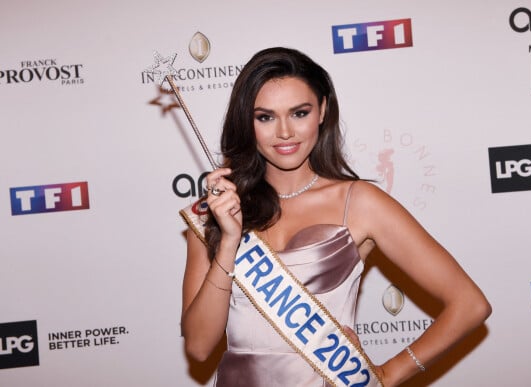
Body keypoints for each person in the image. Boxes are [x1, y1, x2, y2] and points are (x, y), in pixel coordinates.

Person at [180, 47, 491, 387]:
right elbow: (198, 346)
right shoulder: (219, 209)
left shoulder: (358, 202)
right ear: (246, 122)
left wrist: (388, 375)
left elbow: (470, 305)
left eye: (299, 113)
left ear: (322, 111)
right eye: (265, 117)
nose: (284, 132)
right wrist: (228, 241)